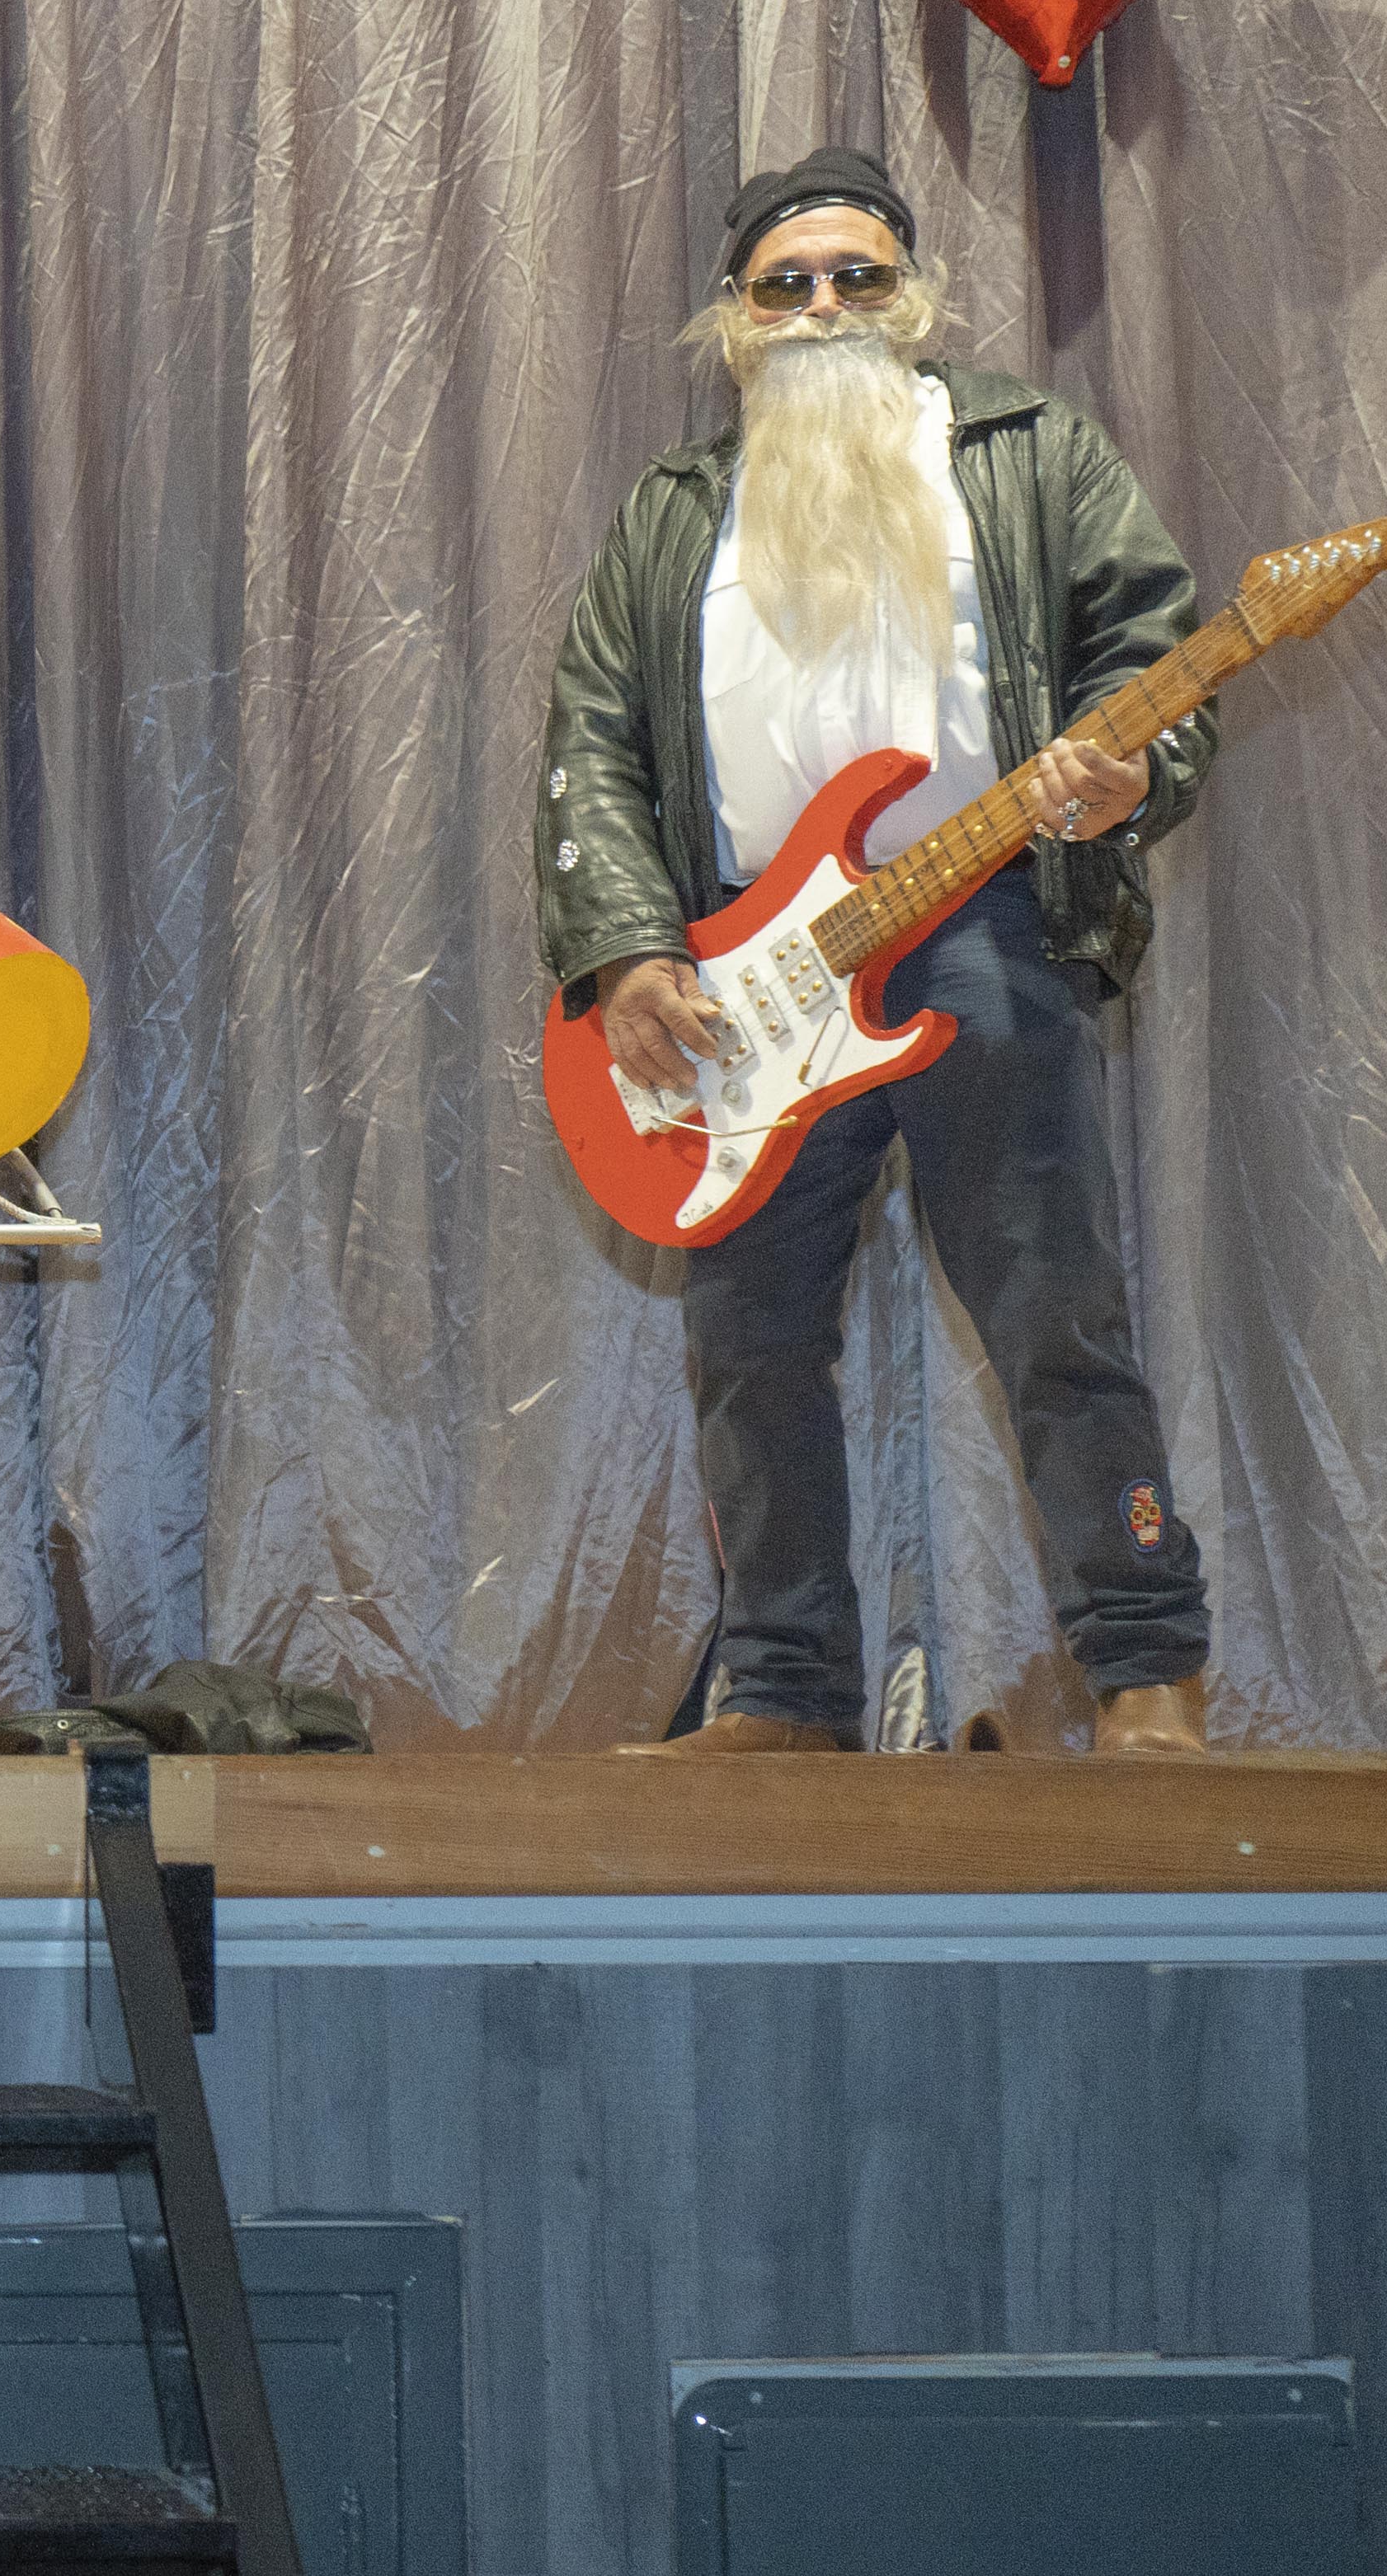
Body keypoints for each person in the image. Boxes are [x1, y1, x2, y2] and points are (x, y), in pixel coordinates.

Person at [539, 146, 1215, 1757]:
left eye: (856, 275)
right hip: (741, 978)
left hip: (980, 922)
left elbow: (1153, 656)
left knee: (1050, 1305)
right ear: (733, 319)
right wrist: (628, 950)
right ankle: (780, 1687)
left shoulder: (1028, 449)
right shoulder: (670, 511)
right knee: (745, 1340)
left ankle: (1144, 1668)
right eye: (784, 284)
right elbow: (589, 738)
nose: (822, 305)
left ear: (910, 296)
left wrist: (1121, 778)